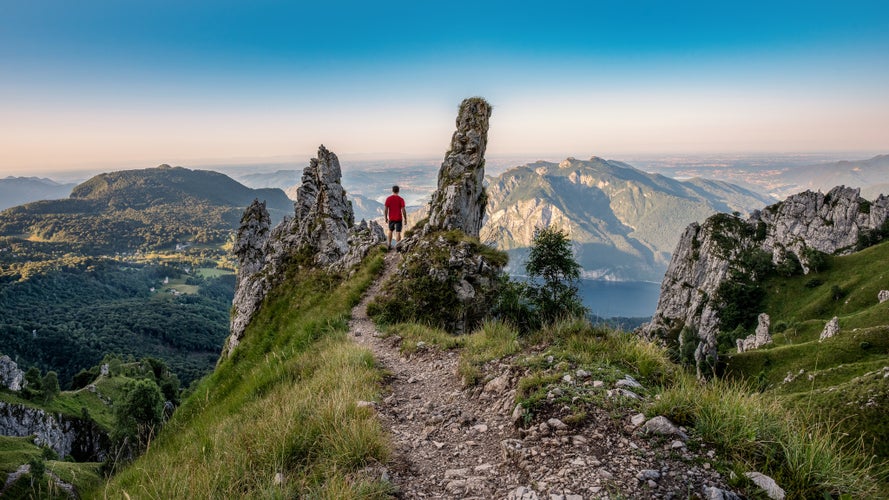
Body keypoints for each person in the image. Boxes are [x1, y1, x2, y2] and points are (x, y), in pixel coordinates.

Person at [384, 185, 407, 251]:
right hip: (398, 218)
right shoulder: (401, 199)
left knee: (390, 231)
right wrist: (405, 219)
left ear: (392, 190)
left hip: (391, 218)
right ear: (398, 191)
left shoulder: (388, 199)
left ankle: (389, 245)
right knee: (398, 232)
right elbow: (403, 210)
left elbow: (385, 209)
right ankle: (398, 247)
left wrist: (386, 218)